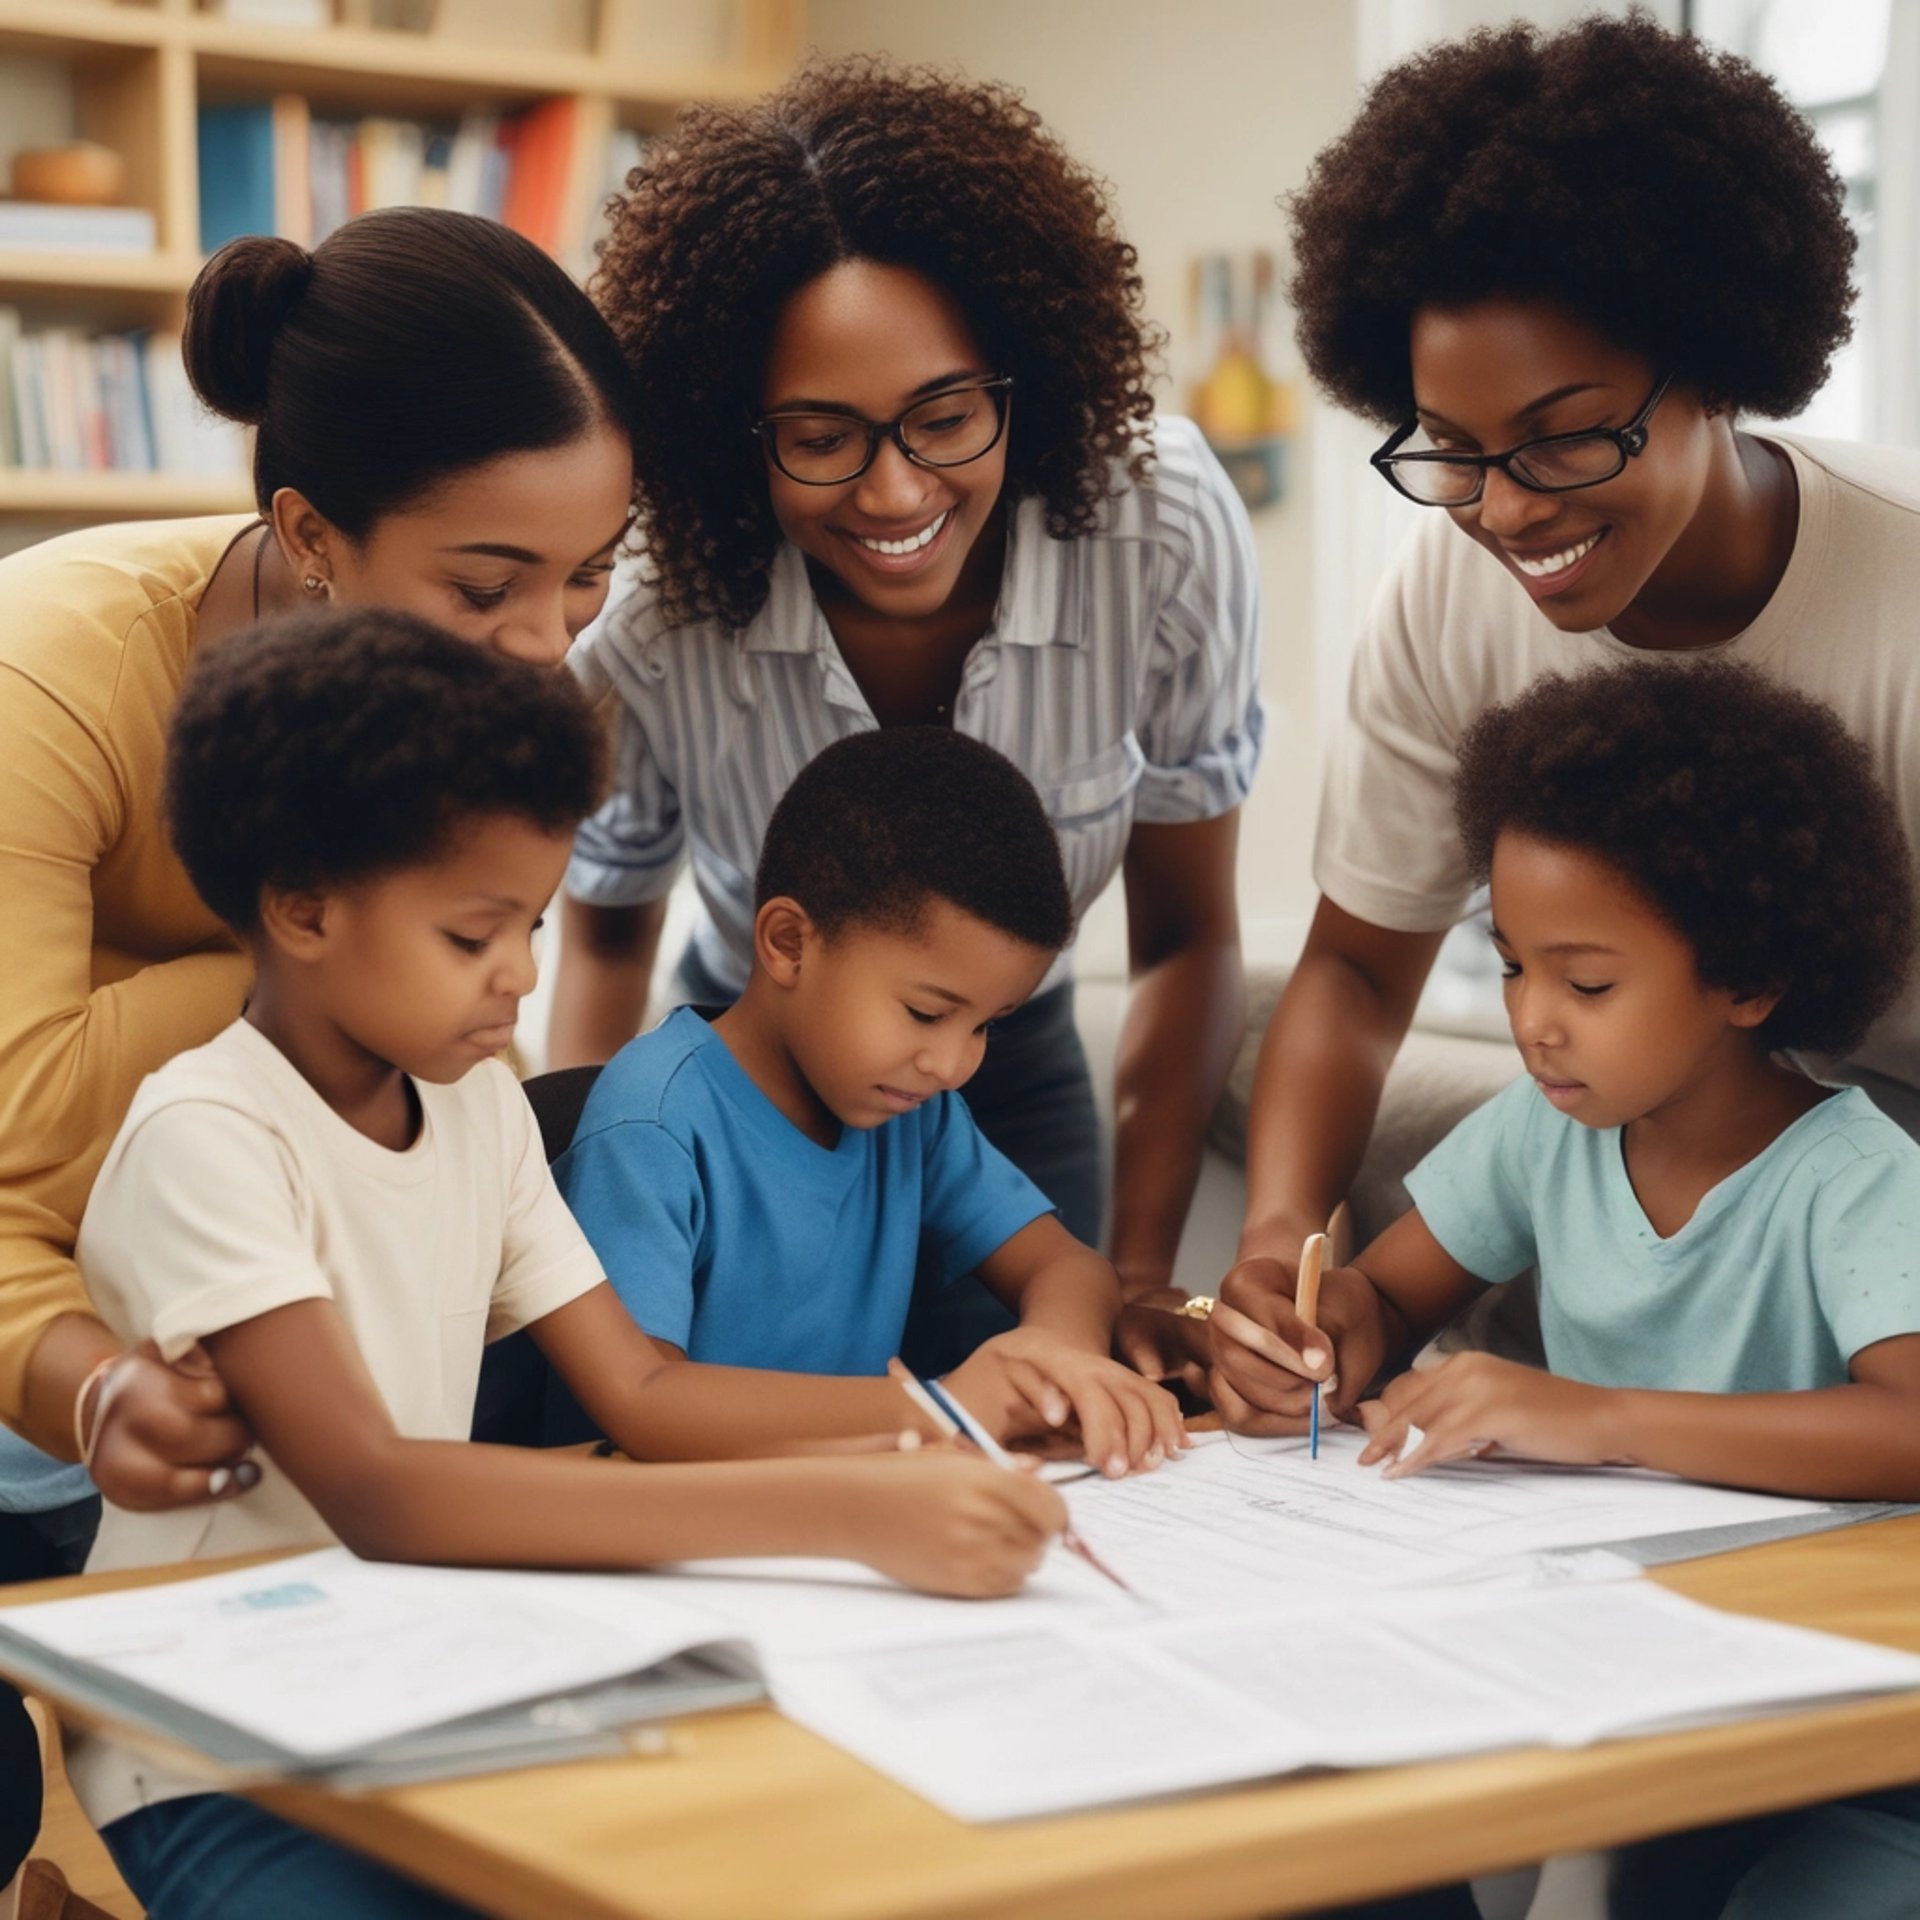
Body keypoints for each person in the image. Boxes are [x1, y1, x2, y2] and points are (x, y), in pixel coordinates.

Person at [70, 609, 1067, 1920]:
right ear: (304, 909)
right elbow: (381, 1490)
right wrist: (853, 1502)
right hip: (206, 1742)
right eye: (472, 937)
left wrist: (907, 1443)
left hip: (416, 1677)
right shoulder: (213, 1136)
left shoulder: (480, 1107)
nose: (520, 979)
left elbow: (637, 1398)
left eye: (533, 928)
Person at [0, 202, 637, 1877]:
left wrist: (393, 967)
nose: (544, 647)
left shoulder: (449, 760)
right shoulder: (49, 682)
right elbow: (16, 1126)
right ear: (310, 533)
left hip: (220, 1304)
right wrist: (315, 951)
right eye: (489, 586)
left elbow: (442, 1087)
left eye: (590, 579)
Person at [1222, 13, 1920, 1380]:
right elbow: (1360, 971)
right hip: (1672, 1113)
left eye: (1563, 439)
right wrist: (1282, 1242)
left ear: (1717, 369)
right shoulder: (1442, 598)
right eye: (1455, 451)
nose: (1506, 509)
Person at [548, 56, 1262, 1383]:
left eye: (944, 418)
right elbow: (602, 945)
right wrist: (567, 1224)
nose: (892, 494)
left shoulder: (1158, 530)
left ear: (1021, 380)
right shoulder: (650, 613)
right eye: (821, 438)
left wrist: (1146, 1281)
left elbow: (1187, 937)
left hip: (1017, 1056)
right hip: (743, 1092)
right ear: (729, 429)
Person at [1216, 660, 1920, 1918]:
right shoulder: (1551, 1130)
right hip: (1644, 1680)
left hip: (1856, 1727)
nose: (1535, 1020)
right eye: (1513, 966)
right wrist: (1320, 1333)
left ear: (1748, 981)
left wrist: (1593, 1416)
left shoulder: (1855, 1176)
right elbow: (1384, 1302)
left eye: (1586, 983)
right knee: (1338, 1834)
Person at [553, 728, 1189, 1477]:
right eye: (926, 1013)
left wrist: (1049, 1359)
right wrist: (939, 1409)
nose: (953, 1064)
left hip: (847, 1511)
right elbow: (645, 1402)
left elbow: (1071, 1269)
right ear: (788, 942)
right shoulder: (652, 1123)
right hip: (656, 1528)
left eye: (983, 1024)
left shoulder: (912, 1115)